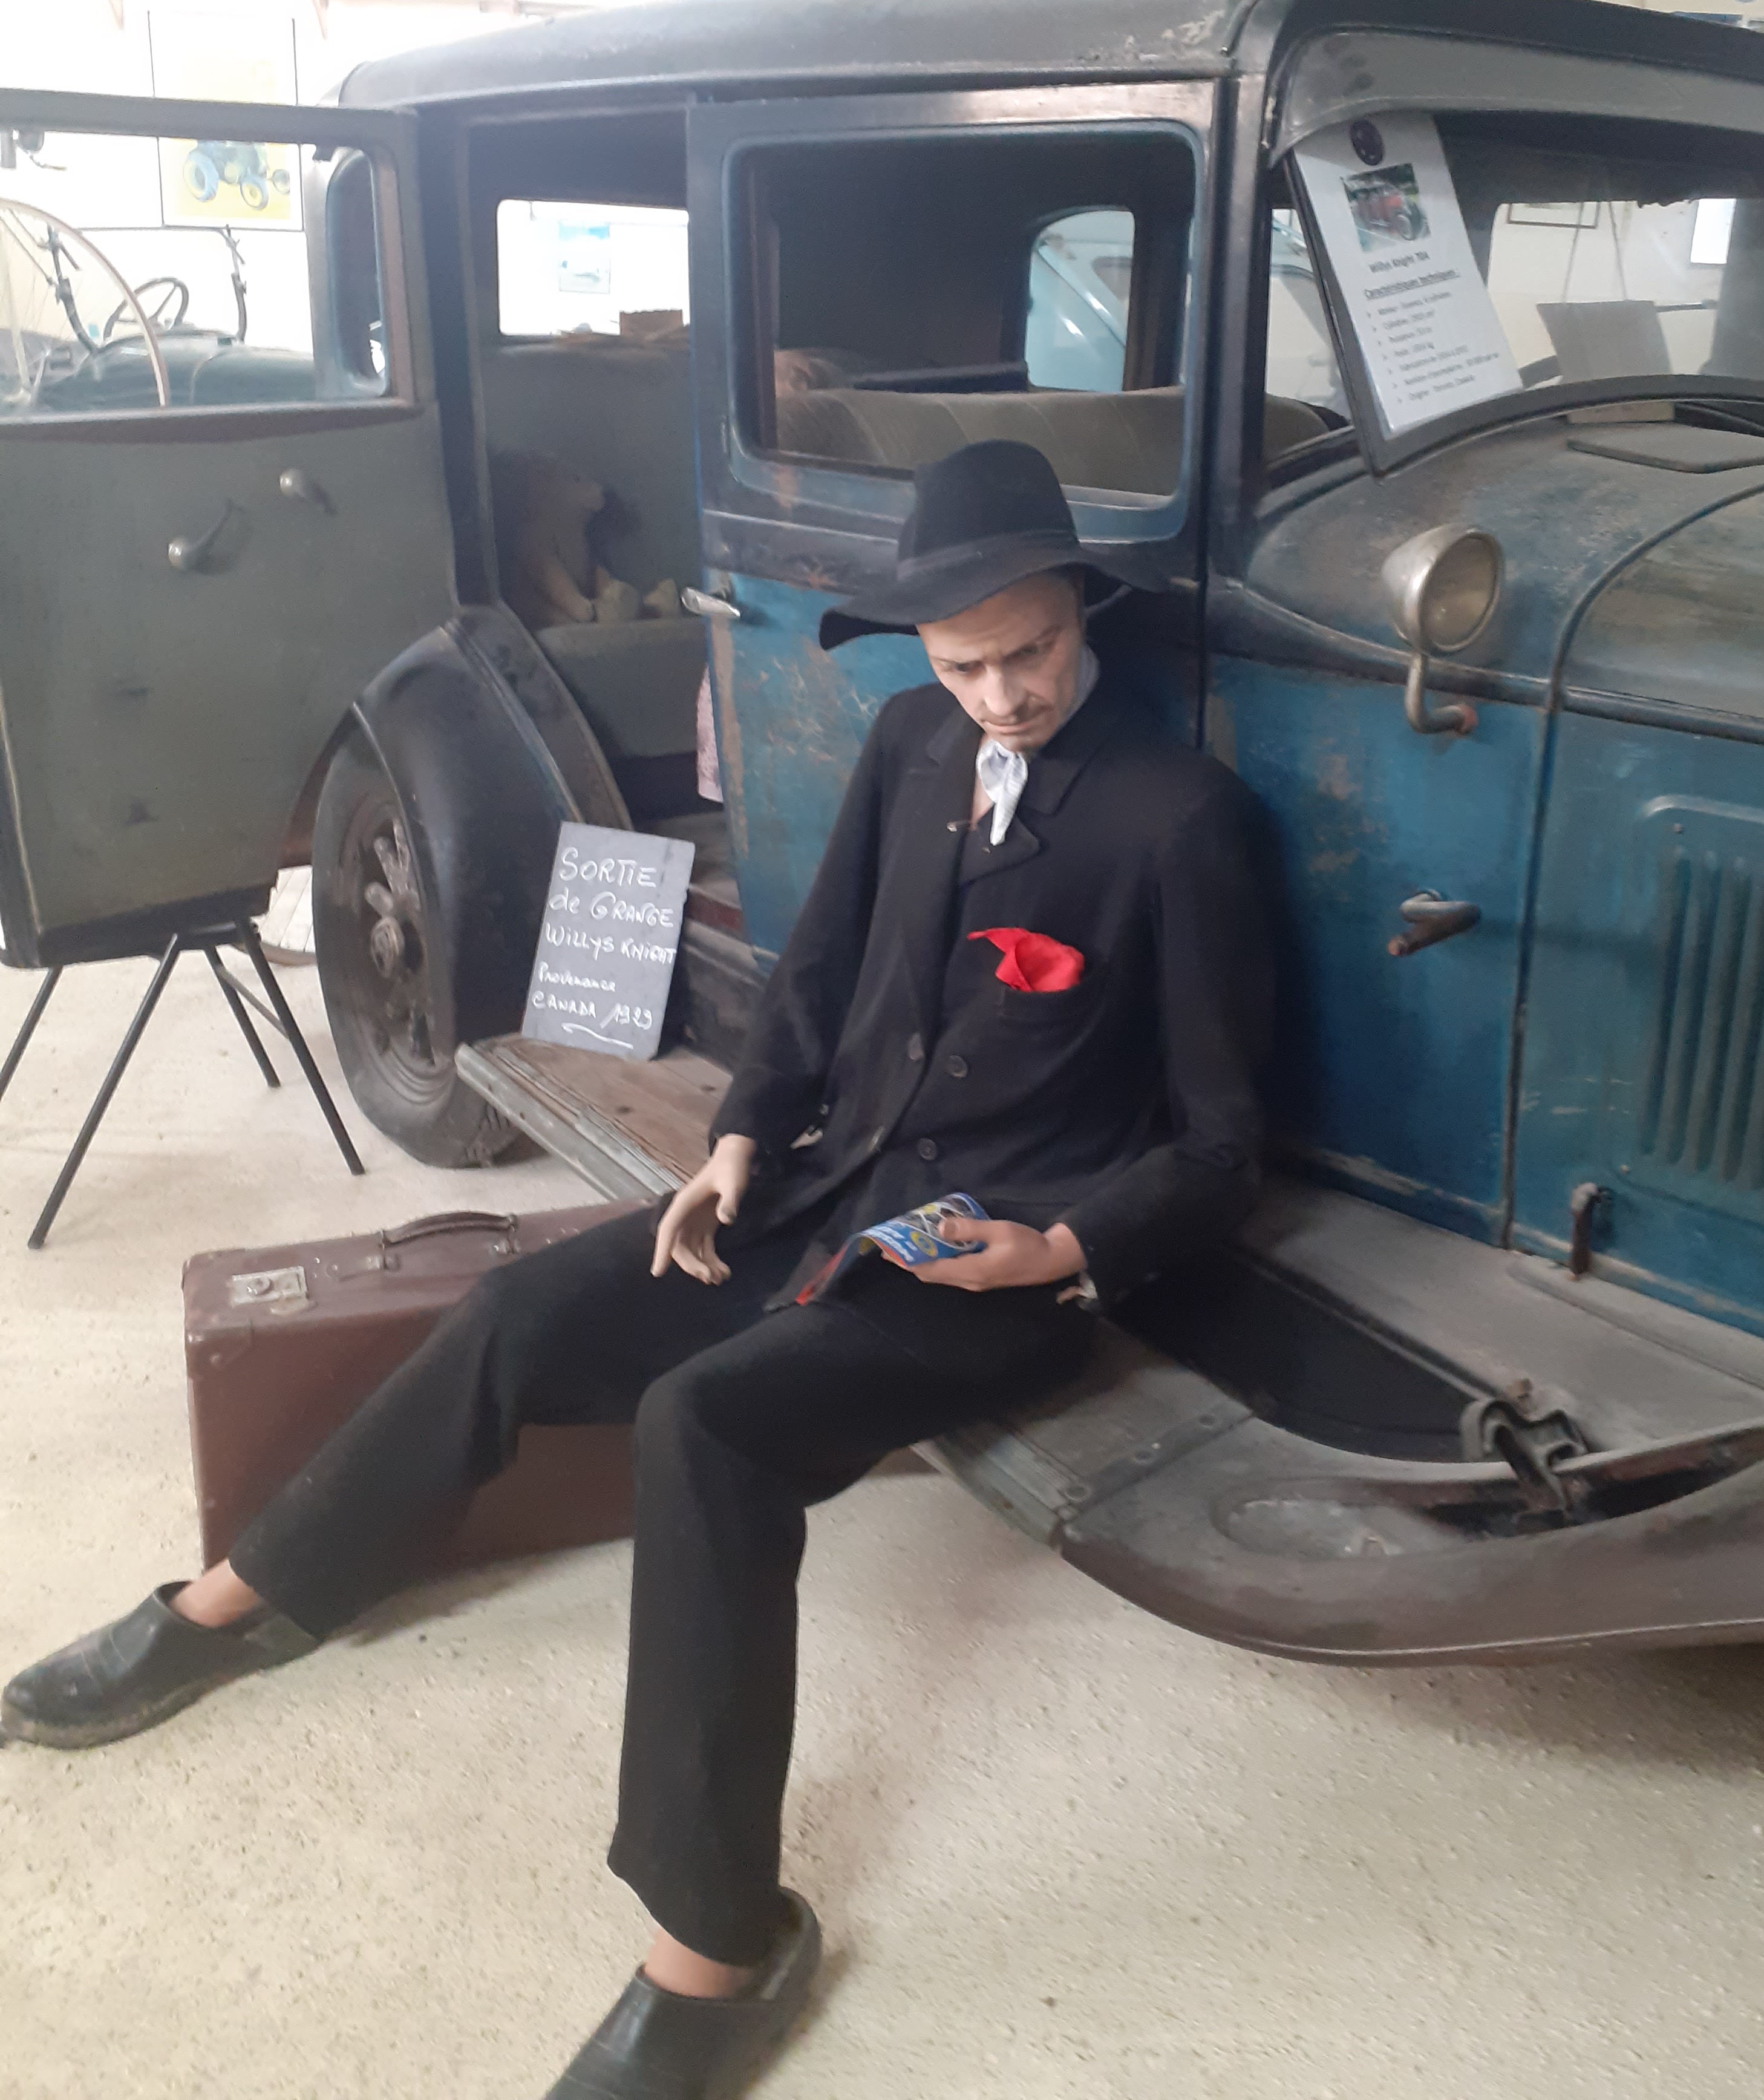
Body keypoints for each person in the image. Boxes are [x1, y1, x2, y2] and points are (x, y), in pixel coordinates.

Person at [3, 439, 1272, 2100]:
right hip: (824, 1189)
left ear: (1080, 613)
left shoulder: (1179, 818)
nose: (1000, 694)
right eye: (963, 663)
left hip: (994, 1267)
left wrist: (1066, 1247)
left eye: (1027, 652)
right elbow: (818, 976)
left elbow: (1225, 1143)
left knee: (707, 1423)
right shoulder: (911, 742)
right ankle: (243, 1604)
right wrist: (741, 1139)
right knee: (518, 1308)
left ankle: (717, 1949)